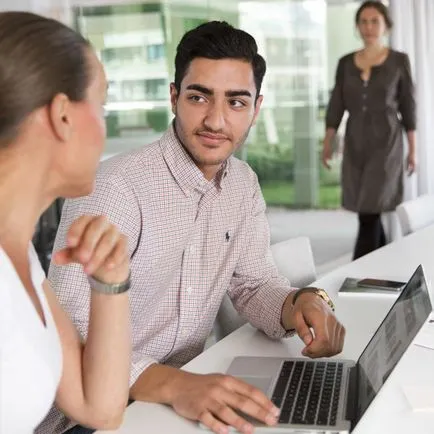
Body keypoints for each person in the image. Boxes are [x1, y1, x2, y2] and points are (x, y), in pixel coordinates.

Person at [39, 21, 345, 434]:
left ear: (256, 108)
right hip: (84, 418)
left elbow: (254, 285)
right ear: (174, 97)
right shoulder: (114, 189)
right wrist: (172, 384)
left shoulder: (242, 184)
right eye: (199, 97)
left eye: (236, 103)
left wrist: (301, 304)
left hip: (186, 397)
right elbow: (66, 337)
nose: (216, 121)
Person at [0, 12, 132, 433]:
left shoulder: (20, 255)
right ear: (62, 116)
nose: (105, 129)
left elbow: (100, 409)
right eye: (101, 105)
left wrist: (110, 282)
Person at [322, 0, 416, 260]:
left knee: (369, 212)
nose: (369, 26)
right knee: (369, 210)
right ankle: (386, 267)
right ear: (357, 26)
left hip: (387, 142)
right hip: (355, 142)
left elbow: (409, 107)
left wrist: (413, 150)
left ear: (386, 25)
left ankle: (355, 279)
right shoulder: (344, 63)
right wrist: (328, 140)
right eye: (363, 21)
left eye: (375, 21)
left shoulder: (399, 61)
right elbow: (337, 104)